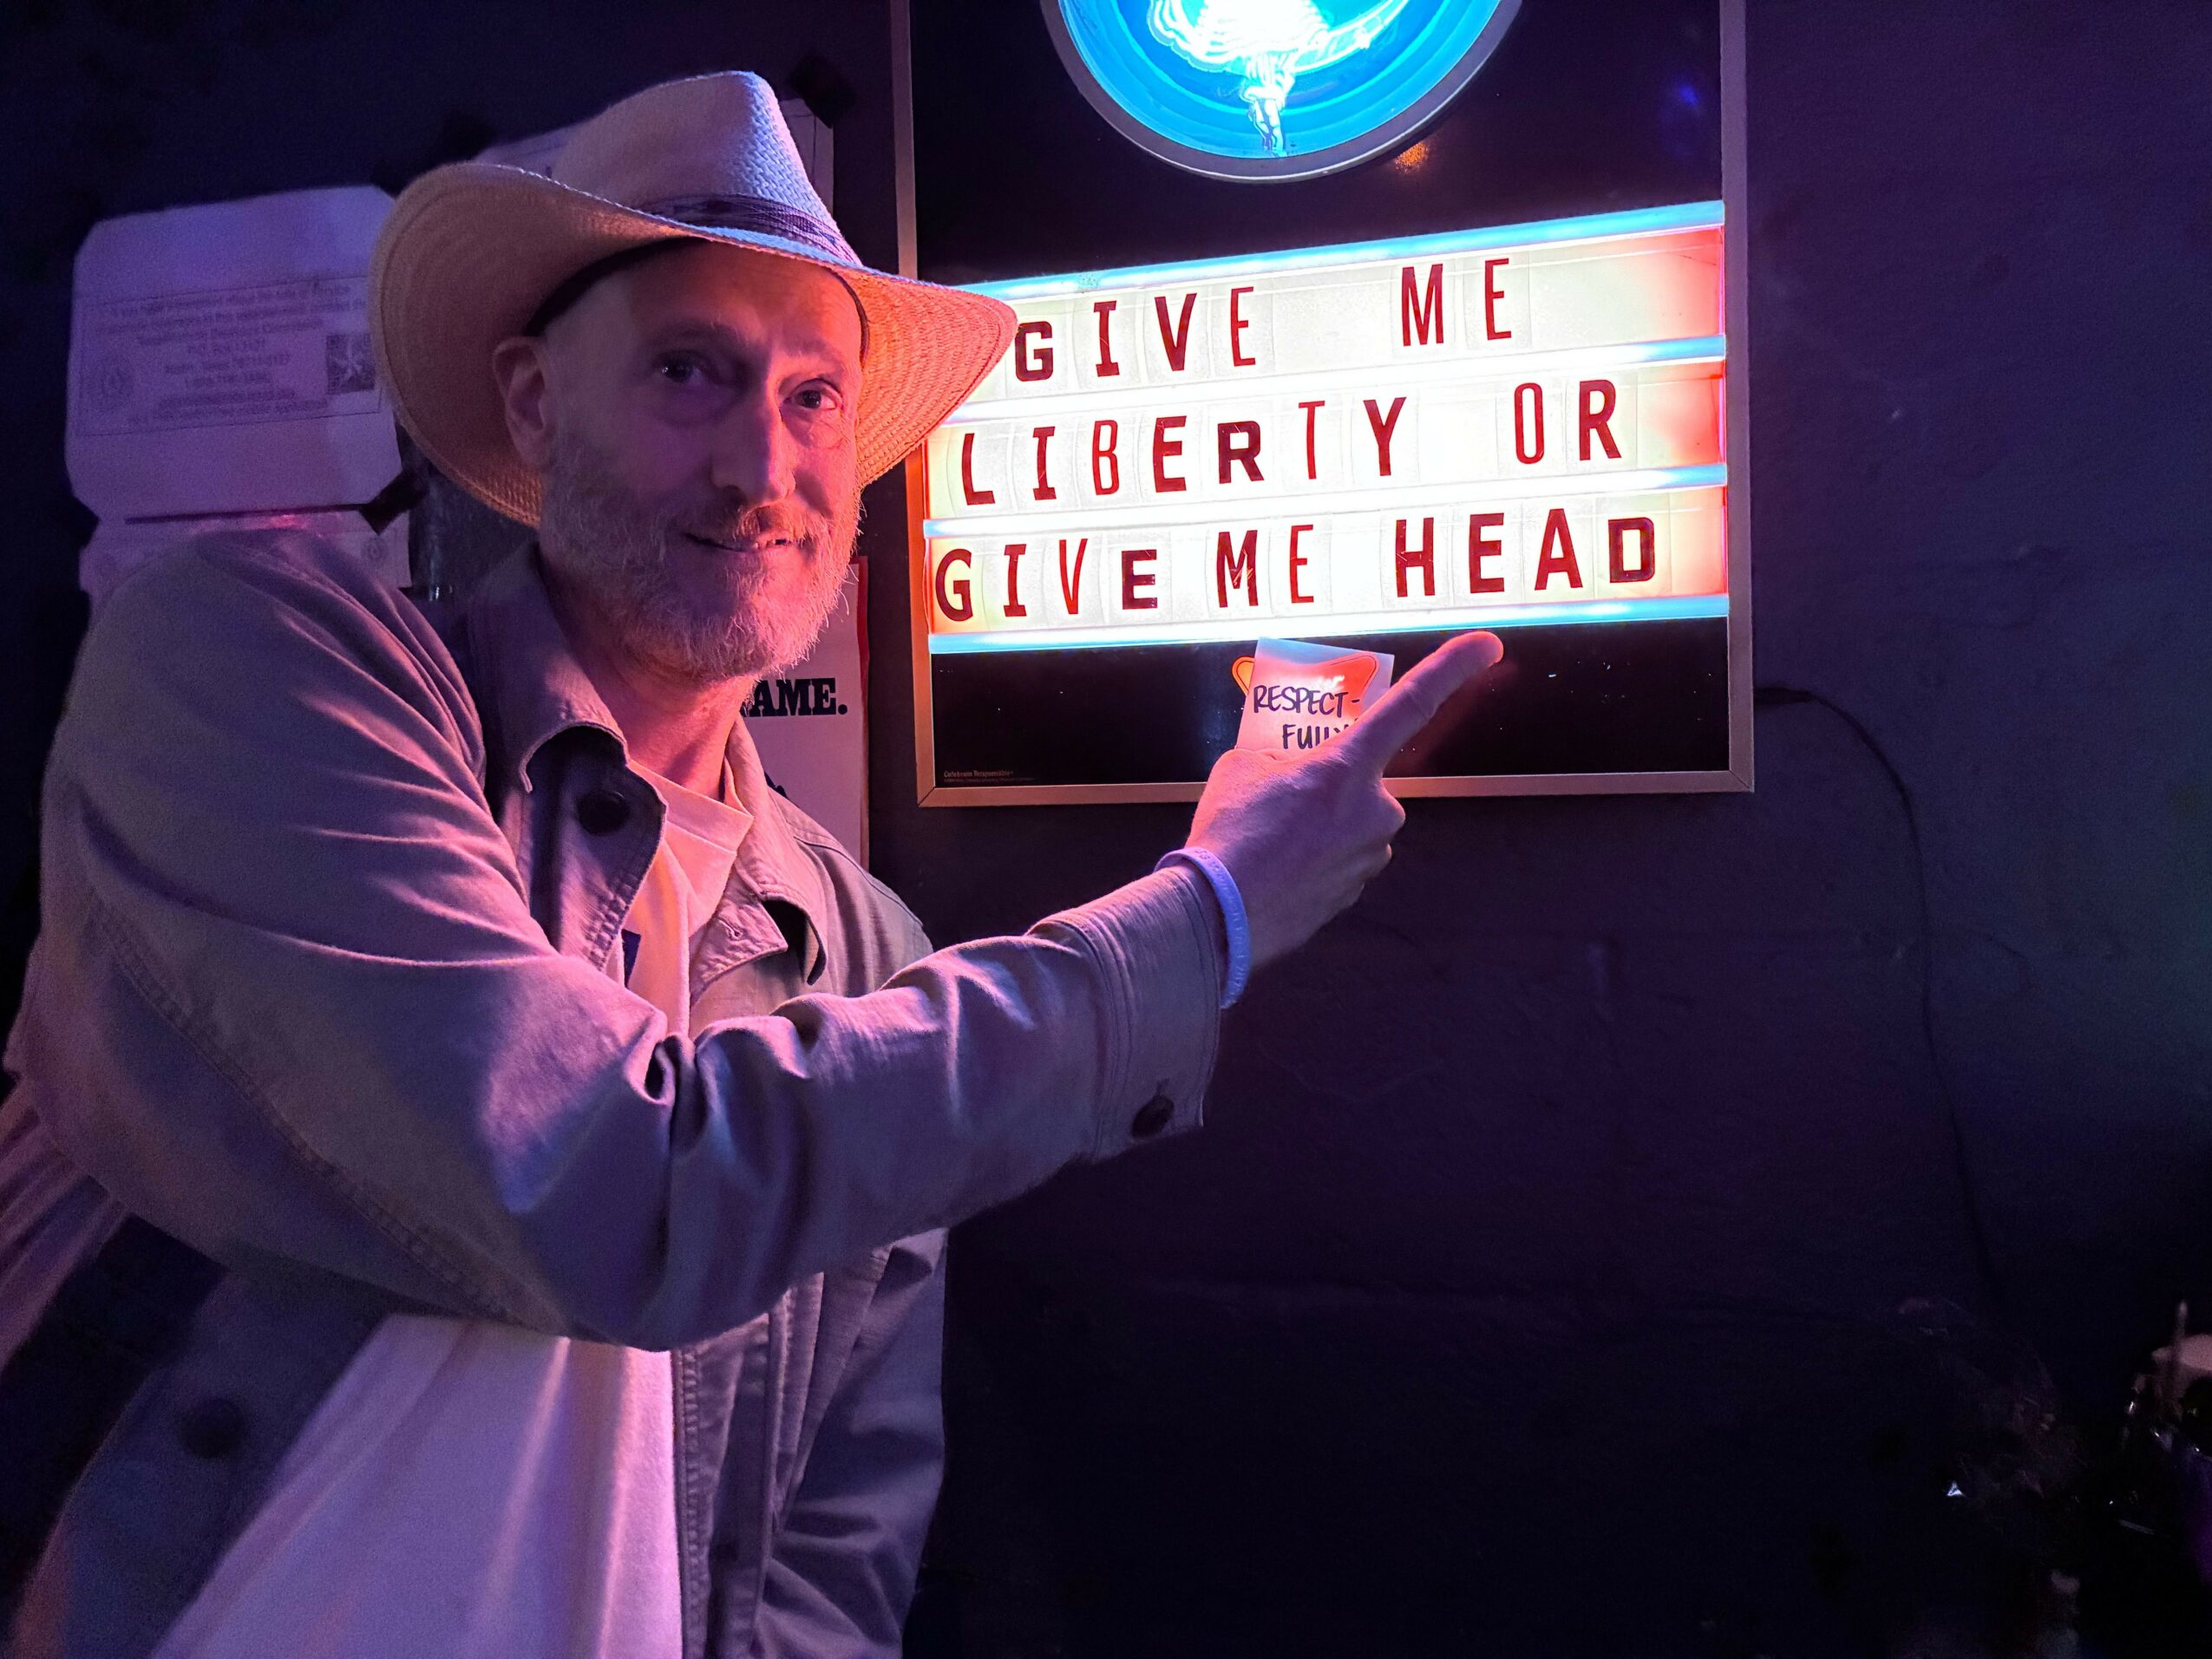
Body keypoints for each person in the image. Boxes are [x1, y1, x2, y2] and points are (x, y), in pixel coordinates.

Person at [0, 72, 1502, 1658]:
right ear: (532, 404)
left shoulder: (856, 938)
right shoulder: (264, 659)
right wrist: (1203, 919)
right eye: (688, 372)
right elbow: (602, 1184)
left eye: (811, 399)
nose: (760, 469)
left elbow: (835, 1513)